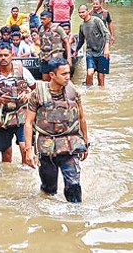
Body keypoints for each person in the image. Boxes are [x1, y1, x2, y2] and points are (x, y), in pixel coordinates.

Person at [24, 58, 89, 203]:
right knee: (49, 189)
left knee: (73, 187)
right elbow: (28, 123)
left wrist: (86, 142)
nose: (68, 76)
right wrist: (29, 150)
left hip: (70, 145)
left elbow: (81, 118)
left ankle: (75, 219)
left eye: (68, 73)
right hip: (47, 147)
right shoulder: (37, 94)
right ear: (52, 75)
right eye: (63, 74)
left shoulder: (74, 92)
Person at [0, 43, 37, 163]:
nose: (3, 58)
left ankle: (26, 177)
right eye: (0, 55)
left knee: (26, 149)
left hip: (21, 114)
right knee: (6, 156)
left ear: (12, 55)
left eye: (6, 55)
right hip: (1, 118)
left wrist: (28, 94)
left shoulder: (22, 71)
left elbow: (37, 90)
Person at [76, 5, 111, 87]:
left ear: (88, 11)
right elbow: (81, 40)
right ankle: (88, 91)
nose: (81, 14)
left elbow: (106, 33)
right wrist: (76, 51)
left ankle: (100, 95)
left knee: (101, 78)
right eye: (79, 13)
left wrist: (106, 48)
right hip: (90, 52)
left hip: (102, 51)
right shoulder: (82, 26)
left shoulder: (96, 20)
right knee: (90, 73)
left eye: (83, 12)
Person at [38, 10, 71, 81]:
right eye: (41, 19)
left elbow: (66, 42)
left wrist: (69, 57)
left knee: (58, 78)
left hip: (56, 58)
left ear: (49, 19)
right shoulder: (41, 29)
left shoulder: (57, 28)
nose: (41, 21)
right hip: (44, 58)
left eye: (44, 19)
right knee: (45, 80)